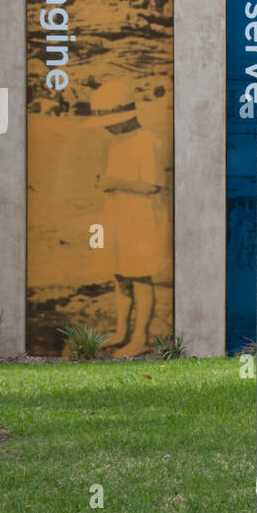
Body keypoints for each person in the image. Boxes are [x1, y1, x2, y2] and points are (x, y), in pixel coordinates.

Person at [91, 80, 168, 357]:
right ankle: (122, 331)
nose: (106, 126)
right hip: (118, 215)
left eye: (110, 120)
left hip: (142, 217)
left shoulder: (147, 141)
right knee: (120, 276)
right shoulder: (117, 140)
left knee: (140, 278)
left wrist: (113, 181)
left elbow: (152, 185)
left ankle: (141, 338)